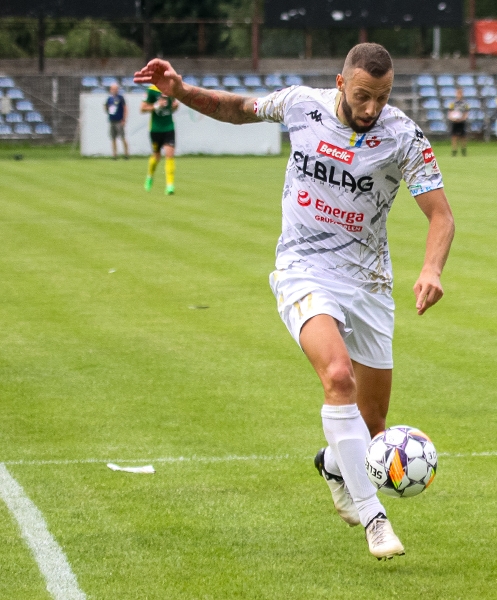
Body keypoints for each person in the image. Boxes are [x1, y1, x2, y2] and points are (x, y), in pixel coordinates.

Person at [133, 43, 455, 560]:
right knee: (338, 378)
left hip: (369, 283)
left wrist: (432, 268)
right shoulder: (302, 105)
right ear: (340, 83)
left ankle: (333, 463)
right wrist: (181, 90)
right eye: (362, 95)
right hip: (303, 268)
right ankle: (375, 519)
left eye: (383, 96)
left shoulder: (403, 137)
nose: (372, 108)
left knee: (373, 429)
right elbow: (239, 110)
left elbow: (441, 214)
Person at [141, 84, 179, 195]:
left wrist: (175, 106)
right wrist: (157, 105)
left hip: (169, 127)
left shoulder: (171, 89)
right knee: (156, 156)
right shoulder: (151, 90)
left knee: (169, 154)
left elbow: (173, 107)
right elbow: (143, 108)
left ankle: (170, 185)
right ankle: (150, 176)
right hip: (155, 129)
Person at [105, 83, 129, 159]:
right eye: (113, 89)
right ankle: (114, 154)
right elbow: (106, 107)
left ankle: (126, 154)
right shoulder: (109, 99)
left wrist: (124, 119)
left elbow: (125, 109)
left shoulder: (121, 98)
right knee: (113, 138)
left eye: (116, 89)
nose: (115, 90)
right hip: (112, 120)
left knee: (122, 137)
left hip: (119, 120)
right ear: (111, 90)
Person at [446, 88, 470, 157]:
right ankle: (454, 150)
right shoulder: (452, 103)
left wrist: (463, 118)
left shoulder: (465, 103)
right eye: (458, 93)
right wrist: (452, 118)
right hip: (454, 121)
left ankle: (463, 150)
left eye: (460, 93)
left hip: (462, 121)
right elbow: (450, 112)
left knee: (463, 136)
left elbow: (466, 112)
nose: (459, 95)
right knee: (454, 136)